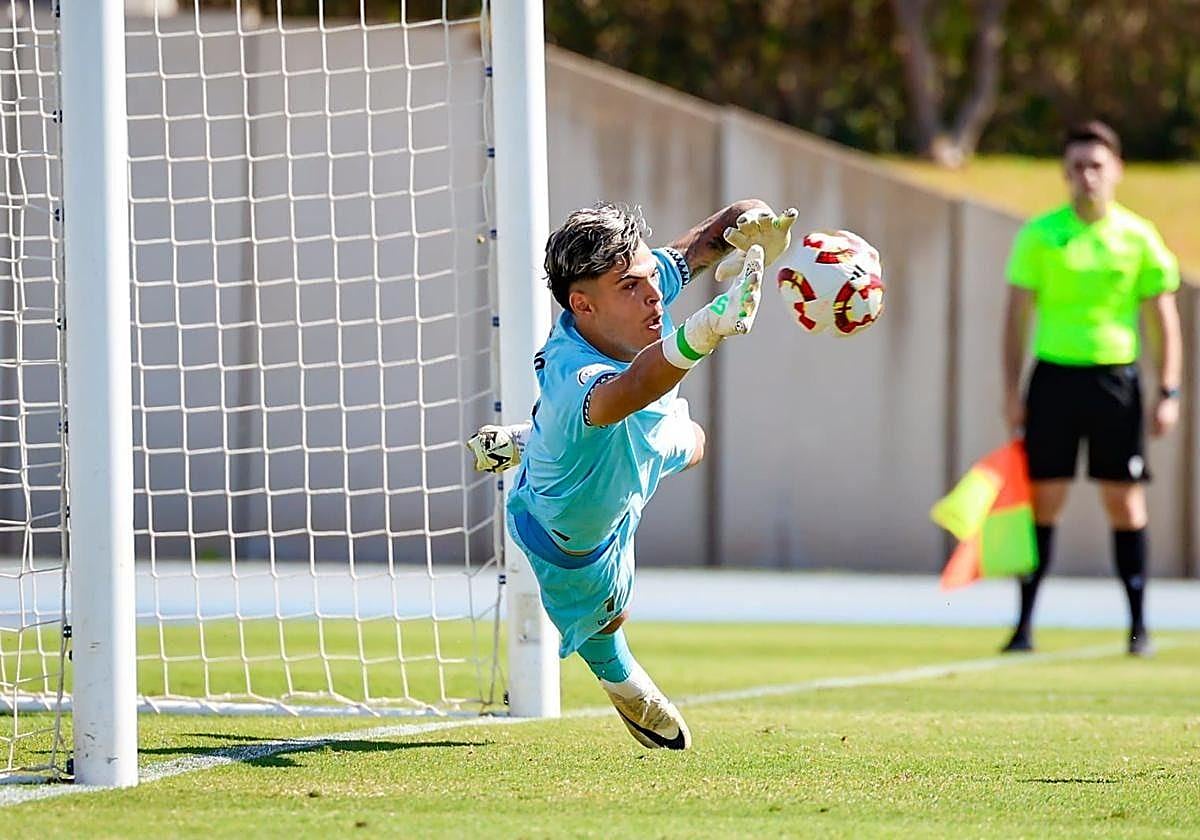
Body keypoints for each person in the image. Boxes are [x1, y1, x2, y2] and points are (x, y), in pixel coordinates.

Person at [467, 200, 796, 748]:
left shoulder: (637, 283)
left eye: (650, 278)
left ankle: (532, 440)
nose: (653, 295)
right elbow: (633, 387)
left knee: (696, 443)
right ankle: (619, 676)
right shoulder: (574, 374)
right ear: (582, 305)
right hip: (567, 527)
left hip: (631, 443)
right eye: (630, 287)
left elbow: (706, 240)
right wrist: (705, 329)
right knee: (607, 617)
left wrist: (756, 226)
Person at [1001, 119, 1182, 656]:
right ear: (1065, 172)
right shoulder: (1040, 235)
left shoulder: (1138, 237)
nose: (1087, 176)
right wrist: (1011, 391)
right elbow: (1014, 318)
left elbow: (1164, 321)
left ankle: (1138, 628)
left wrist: (1168, 391)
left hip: (1115, 382)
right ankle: (1023, 626)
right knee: (1043, 502)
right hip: (1053, 380)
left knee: (1125, 503)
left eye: (1097, 165)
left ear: (1117, 170)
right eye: (1077, 166)